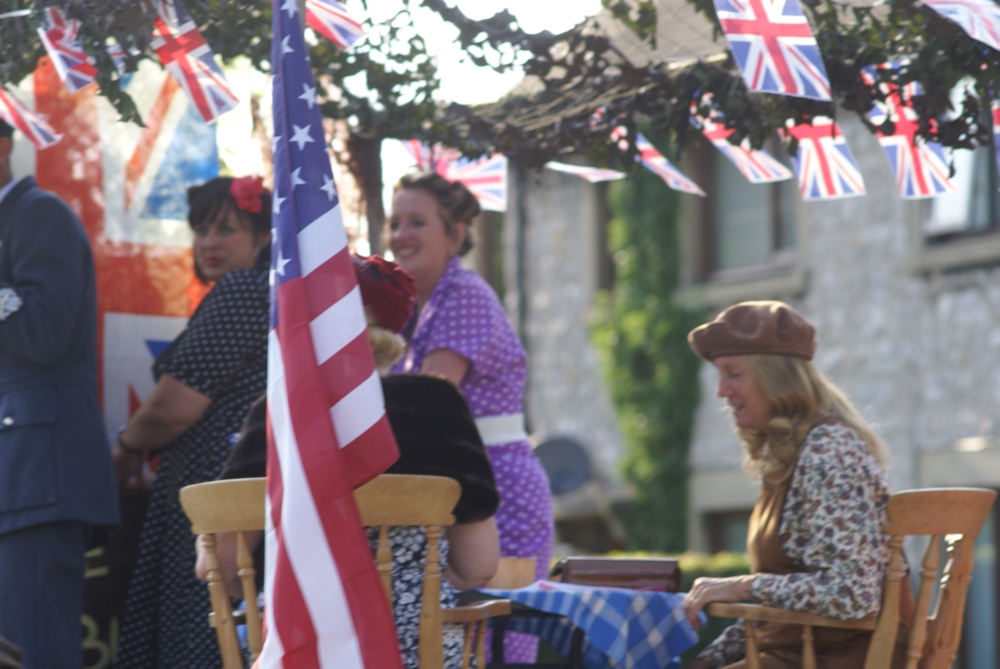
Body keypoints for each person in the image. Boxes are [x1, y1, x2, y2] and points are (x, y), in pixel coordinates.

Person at [198, 254, 501, 669]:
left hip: (298, 646)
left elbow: (220, 566)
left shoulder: (275, 413)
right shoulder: (438, 406)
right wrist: (399, 592)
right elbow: (478, 567)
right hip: (416, 649)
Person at [682, 301, 912, 669]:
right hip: (798, 653)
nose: (722, 391)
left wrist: (742, 585)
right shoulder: (790, 456)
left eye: (733, 373)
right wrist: (706, 661)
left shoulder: (828, 450)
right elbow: (776, 617)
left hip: (846, 658)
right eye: (719, 375)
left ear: (776, 378)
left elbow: (852, 593)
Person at [388, 172, 553, 660]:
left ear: (455, 234)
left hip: (496, 491)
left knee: (492, 648)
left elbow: (428, 400)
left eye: (417, 222)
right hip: (449, 493)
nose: (400, 235)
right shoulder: (412, 307)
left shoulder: (465, 293)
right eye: (394, 223)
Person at [112, 176, 272, 669]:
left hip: (214, 494)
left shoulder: (245, 290)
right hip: (228, 493)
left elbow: (172, 408)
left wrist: (125, 448)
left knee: (200, 635)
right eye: (201, 230)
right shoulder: (264, 293)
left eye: (225, 229)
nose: (209, 242)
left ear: (263, 237)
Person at [0, 119, 119, 669]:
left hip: (35, 474)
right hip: (17, 477)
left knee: (35, 651)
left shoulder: (38, 213)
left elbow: (44, 332)